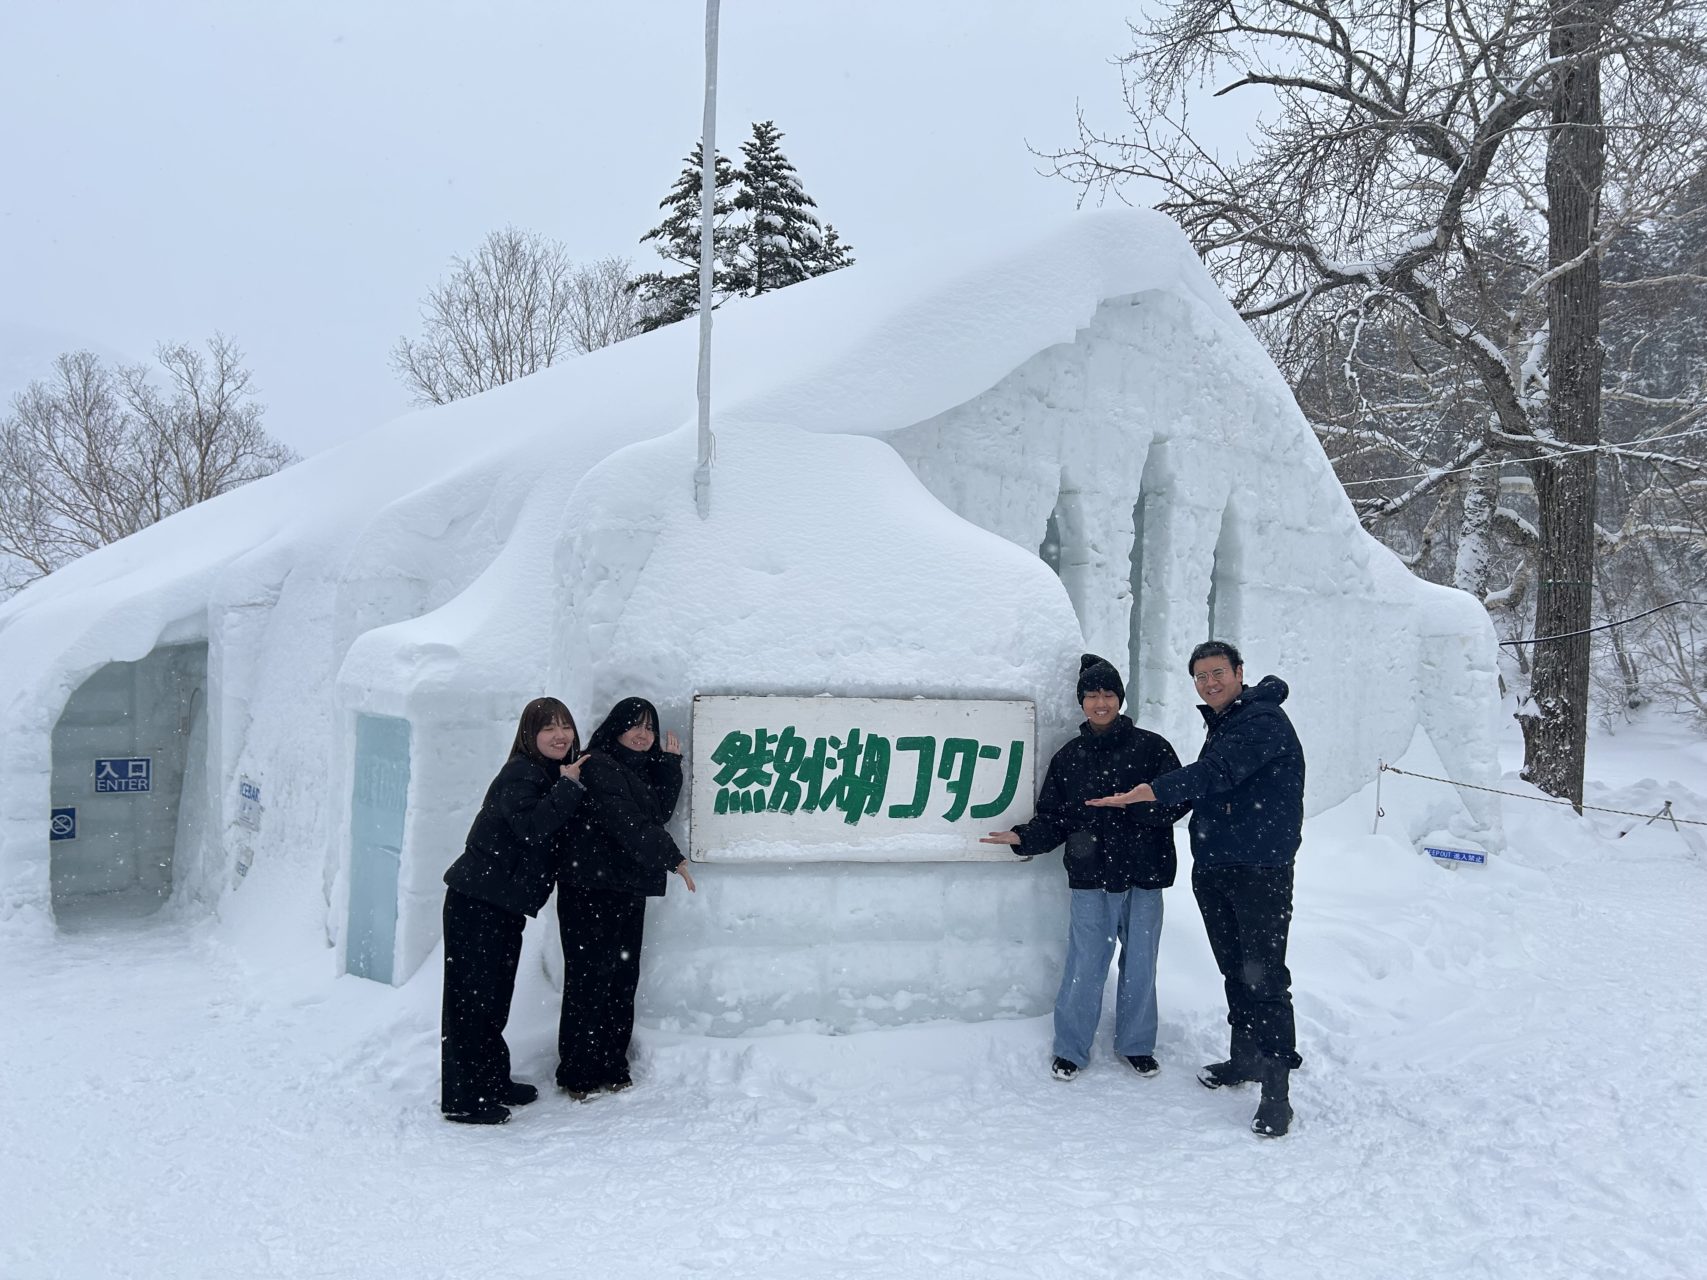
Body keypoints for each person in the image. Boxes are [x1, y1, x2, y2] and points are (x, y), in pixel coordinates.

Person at [1089, 640, 1306, 1137]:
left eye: (1217, 672)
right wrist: (1140, 809)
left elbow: (1216, 773)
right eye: (1201, 676)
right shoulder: (1227, 723)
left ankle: (1277, 1094)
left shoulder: (1263, 720)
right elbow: (1212, 788)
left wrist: (1151, 790)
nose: (1210, 683)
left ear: (1238, 672)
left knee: (1266, 977)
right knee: (1235, 968)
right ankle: (1244, 1059)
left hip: (1260, 871)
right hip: (1216, 866)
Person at [982, 654, 1188, 1083]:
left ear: (1120, 699)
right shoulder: (1070, 757)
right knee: (1085, 962)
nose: (1100, 702)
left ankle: (1136, 1045)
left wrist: (1137, 805)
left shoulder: (1153, 748)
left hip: (1144, 874)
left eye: (1108, 694)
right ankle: (1071, 1048)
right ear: (1081, 702)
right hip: (1091, 876)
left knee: (1141, 962)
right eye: (1092, 695)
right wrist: (1024, 837)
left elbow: (1179, 799)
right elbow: (1055, 817)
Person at [440, 697, 587, 1125]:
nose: (561, 735)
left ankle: (491, 1080)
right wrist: (569, 787)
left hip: (500, 904)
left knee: (492, 999)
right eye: (549, 728)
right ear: (529, 734)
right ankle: (464, 1098)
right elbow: (532, 826)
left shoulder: (544, 772)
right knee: (471, 1001)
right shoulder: (522, 773)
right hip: (476, 902)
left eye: (566, 726)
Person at [555, 696, 696, 1099]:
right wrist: (673, 858)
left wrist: (669, 765)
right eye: (635, 725)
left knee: (620, 978)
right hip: (589, 889)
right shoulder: (598, 764)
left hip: (626, 887)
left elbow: (656, 812)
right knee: (588, 980)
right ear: (616, 727)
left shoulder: (639, 770)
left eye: (649, 728)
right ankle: (577, 1073)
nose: (643, 735)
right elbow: (627, 822)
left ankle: (612, 1064)